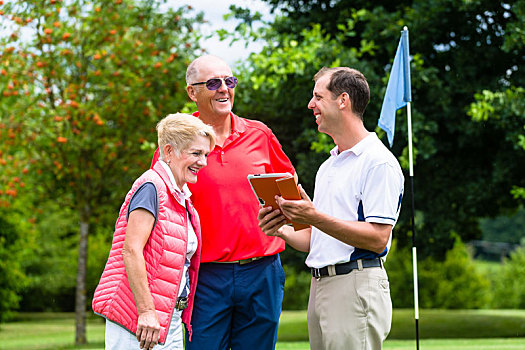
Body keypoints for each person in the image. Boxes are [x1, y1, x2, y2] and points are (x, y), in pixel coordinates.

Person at [149, 55, 297, 349]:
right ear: (192, 92)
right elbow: (161, 211)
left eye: (229, 82)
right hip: (204, 275)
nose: (224, 89)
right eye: (213, 83)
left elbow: (292, 195)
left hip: (262, 271)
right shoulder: (174, 144)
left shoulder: (260, 135)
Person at [258, 67, 404, 350]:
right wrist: (282, 229)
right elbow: (317, 240)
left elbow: (377, 238)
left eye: (318, 97)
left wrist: (313, 215)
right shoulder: (329, 165)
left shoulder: (378, 162)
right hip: (321, 287)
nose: (310, 105)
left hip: (355, 286)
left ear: (343, 100)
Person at [92, 113, 216, 350]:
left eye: (205, 155)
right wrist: (147, 312)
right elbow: (130, 250)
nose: (203, 162)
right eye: (196, 153)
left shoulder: (179, 196)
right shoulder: (152, 187)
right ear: (168, 152)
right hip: (139, 321)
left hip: (167, 319)